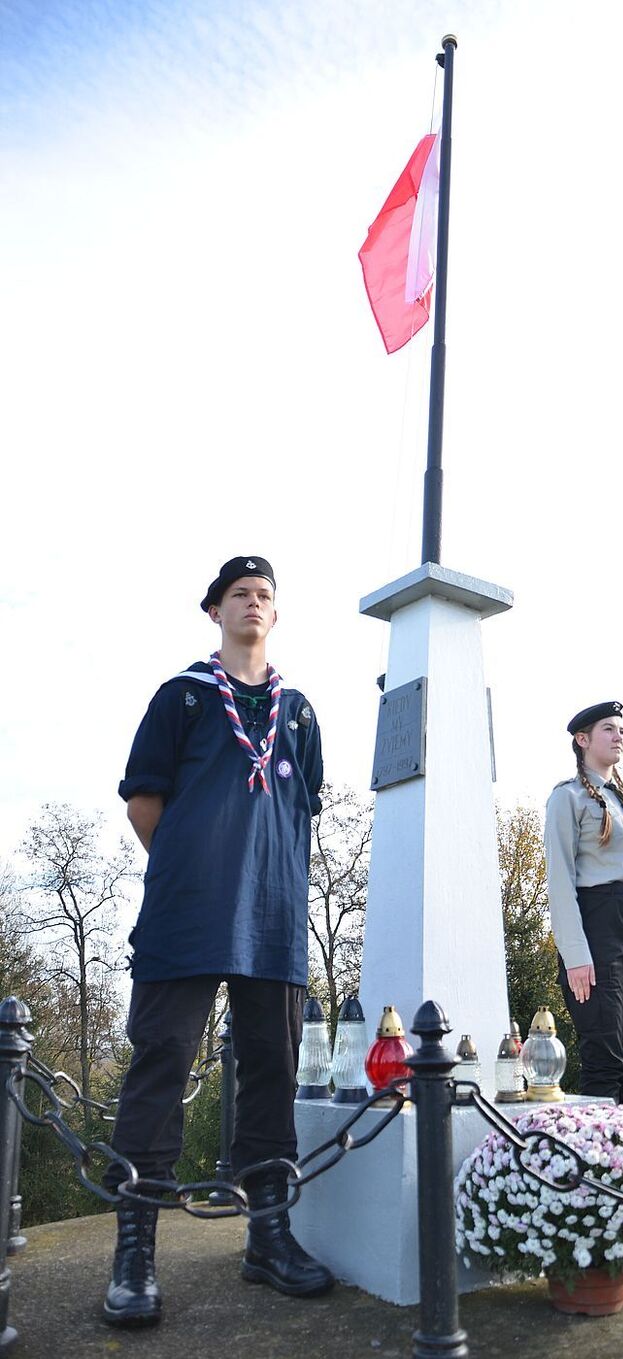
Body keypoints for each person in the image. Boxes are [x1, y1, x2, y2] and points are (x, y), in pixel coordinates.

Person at [103, 555, 333, 1329]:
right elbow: (144, 802)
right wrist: (193, 869)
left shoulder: (298, 711)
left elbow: (305, 808)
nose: (254, 604)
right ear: (215, 610)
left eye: (265, 595)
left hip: (272, 920)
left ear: (276, 613)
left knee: (272, 1067)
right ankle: (134, 1253)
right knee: (162, 1061)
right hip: (188, 913)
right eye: (241, 593)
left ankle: (268, 1237)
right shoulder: (185, 697)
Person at [544, 701, 623, 1105]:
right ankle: (602, 1163)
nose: (619, 736)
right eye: (608, 729)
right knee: (606, 1058)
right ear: (582, 740)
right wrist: (575, 954)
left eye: (621, 729)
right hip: (599, 922)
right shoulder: (566, 798)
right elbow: (560, 881)